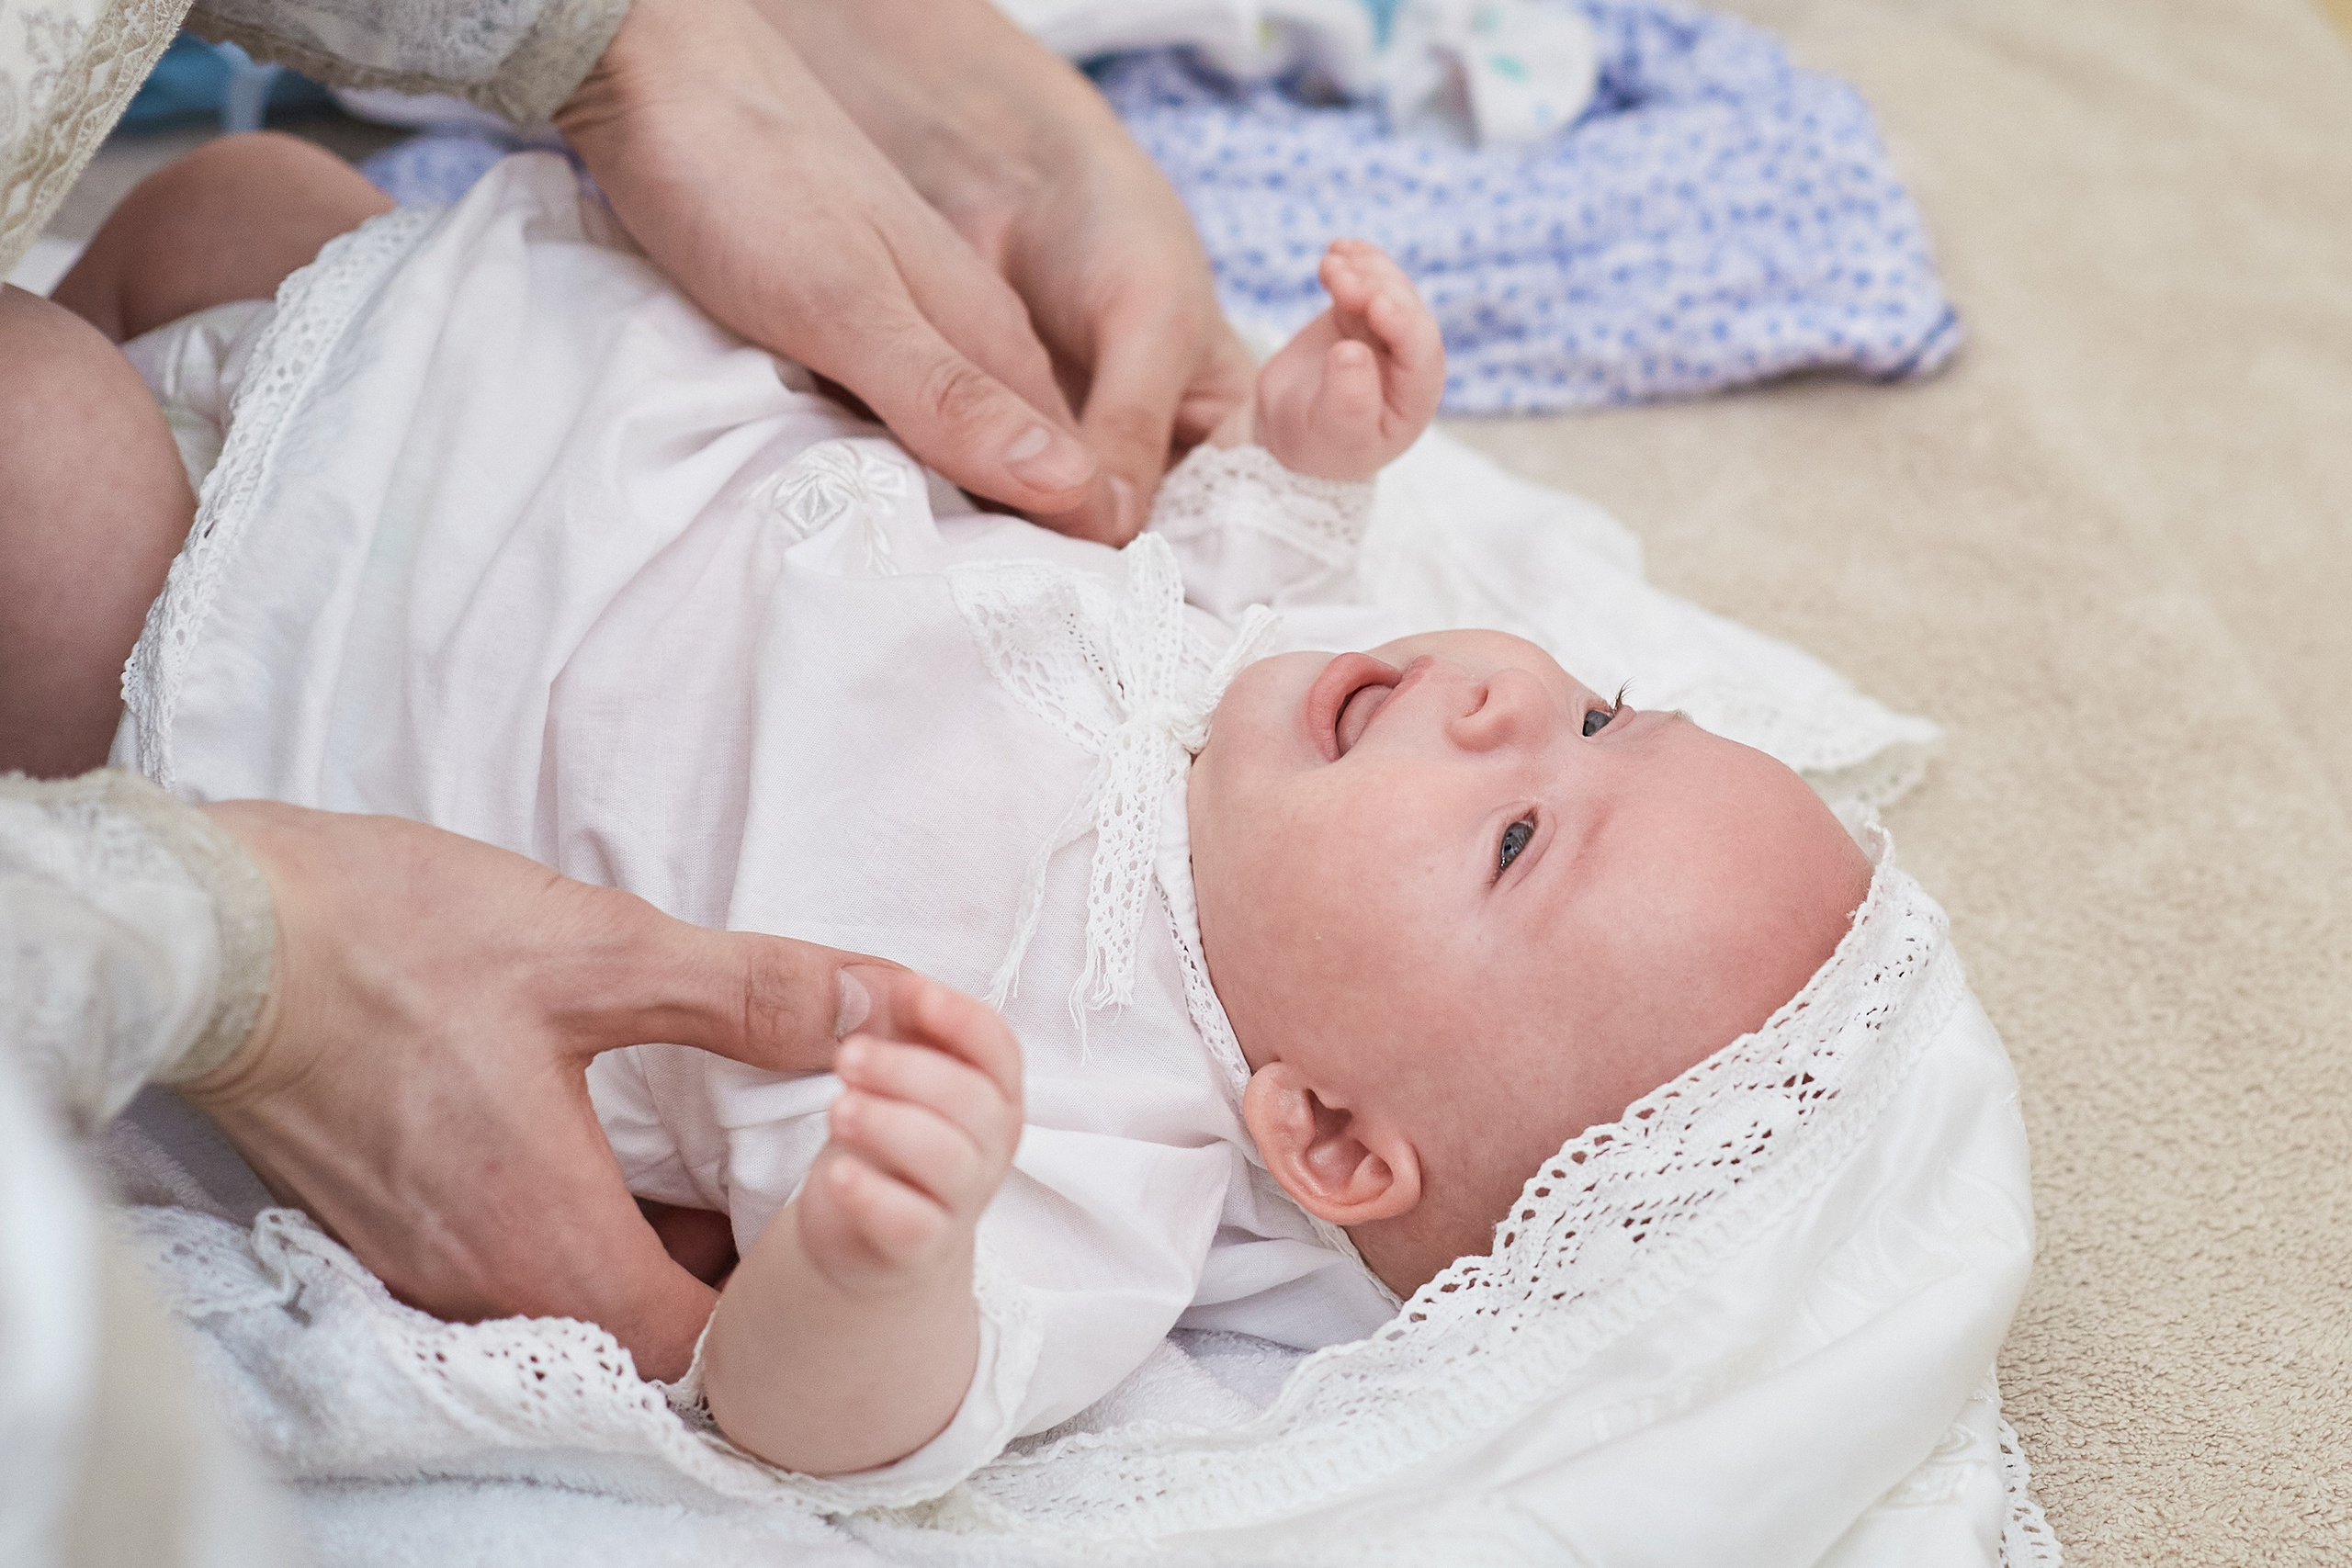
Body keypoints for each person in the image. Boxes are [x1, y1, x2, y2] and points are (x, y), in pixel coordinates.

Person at [11, 140, 1874, 1493]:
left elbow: (850, 1420)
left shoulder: (1108, 1149)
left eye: (1515, 834)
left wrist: (869, 1261)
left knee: (47, 457)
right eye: (1600, 711)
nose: (1502, 704)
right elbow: (1227, 565)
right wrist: (1303, 460)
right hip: (460, 389)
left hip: (282, 668)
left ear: (1322, 1132)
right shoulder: (1265, 716)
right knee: (232, 198)